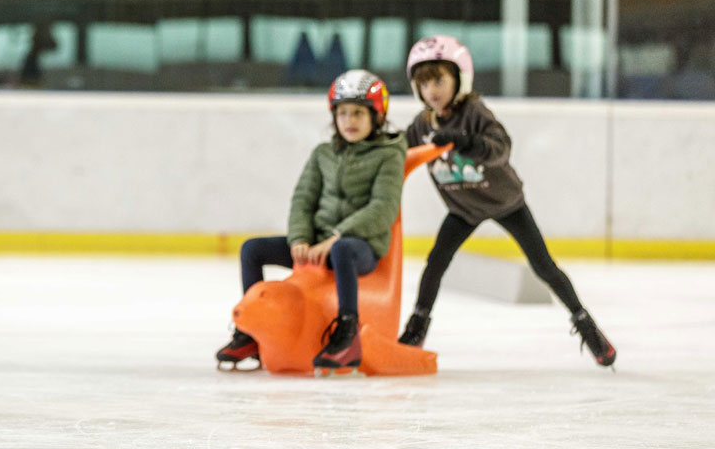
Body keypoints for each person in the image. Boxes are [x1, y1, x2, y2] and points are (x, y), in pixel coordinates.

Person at [397, 35, 616, 367]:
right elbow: (397, 152)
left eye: (439, 79)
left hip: (506, 202)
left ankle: (585, 323)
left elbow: (501, 147)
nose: (432, 90)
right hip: (463, 210)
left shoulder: (474, 111)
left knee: (544, 267)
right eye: (423, 82)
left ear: (460, 78)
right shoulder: (421, 126)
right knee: (435, 263)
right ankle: (416, 327)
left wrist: (465, 142)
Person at [217, 70, 407, 371]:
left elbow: (382, 208)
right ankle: (249, 336)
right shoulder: (323, 154)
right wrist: (300, 239)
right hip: (319, 243)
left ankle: (347, 332)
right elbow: (303, 200)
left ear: (377, 117)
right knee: (252, 249)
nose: (350, 121)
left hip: (360, 247)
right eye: (343, 113)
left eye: (358, 113)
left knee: (342, 249)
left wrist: (336, 236)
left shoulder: (389, 154)